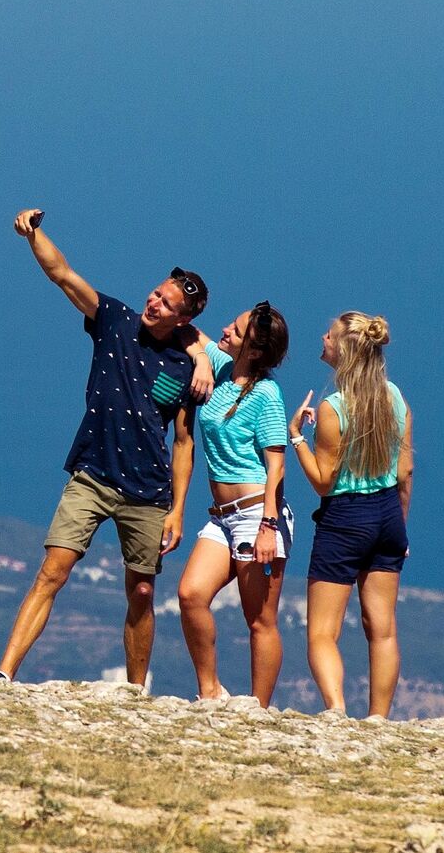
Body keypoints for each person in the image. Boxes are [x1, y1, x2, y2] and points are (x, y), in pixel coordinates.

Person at [0, 209, 213, 686]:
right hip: (92, 475)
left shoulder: (186, 366)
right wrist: (34, 234)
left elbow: (184, 442)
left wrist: (177, 511)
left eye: (167, 303)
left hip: (148, 491)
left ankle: (134, 692)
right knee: (53, 571)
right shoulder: (114, 320)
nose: (154, 303)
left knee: (143, 592)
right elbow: (63, 275)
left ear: (185, 318)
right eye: (156, 293)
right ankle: (4, 674)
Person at [289, 312, 413, 718]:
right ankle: (378, 718)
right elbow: (405, 472)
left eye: (329, 334)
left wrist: (297, 441)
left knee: (323, 631)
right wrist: (401, 530)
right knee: (383, 628)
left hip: (345, 517)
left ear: (343, 349)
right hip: (388, 514)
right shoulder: (395, 397)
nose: (322, 337)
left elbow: (324, 481)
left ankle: (337, 710)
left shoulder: (333, 408)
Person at [175, 301, 292, 705]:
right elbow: (186, 330)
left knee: (259, 620)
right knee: (191, 595)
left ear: (255, 351)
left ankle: (258, 710)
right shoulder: (222, 368)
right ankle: (211, 691)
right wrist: (201, 362)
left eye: (237, 331)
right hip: (221, 517)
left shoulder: (265, 394)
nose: (226, 330)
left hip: (256, 514)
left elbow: (276, 464)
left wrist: (268, 525)